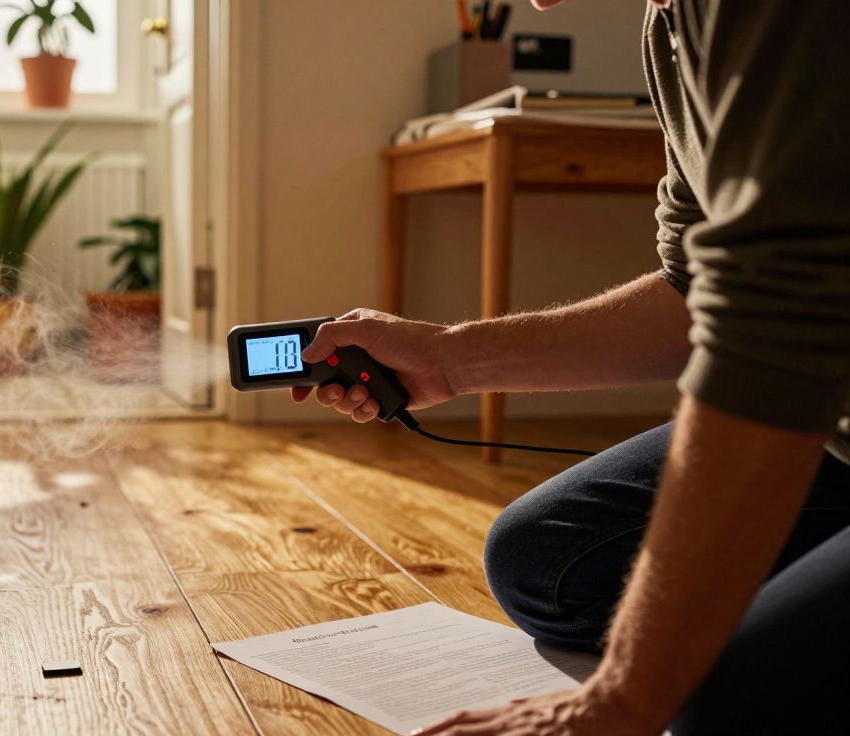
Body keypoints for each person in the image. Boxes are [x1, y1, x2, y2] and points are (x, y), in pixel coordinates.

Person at [293, 1, 850, 733]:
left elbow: (775, 313)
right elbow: (696, 291)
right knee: (545, 563)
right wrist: (449, 359)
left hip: (814, 395)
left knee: (720, 705)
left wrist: (622, 696)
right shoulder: (670, 23)